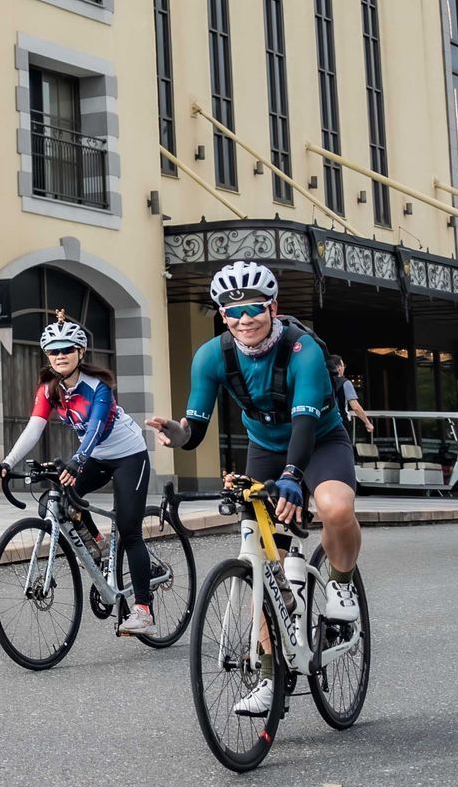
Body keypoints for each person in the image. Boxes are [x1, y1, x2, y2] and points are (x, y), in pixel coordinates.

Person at [148, 258, 360, 716]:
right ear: (222, 314)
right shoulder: (212, 356)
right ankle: (269, 676)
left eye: (254, 308)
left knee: (334, 507)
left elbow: (305, 422)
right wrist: (178, 433)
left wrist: (293, 478)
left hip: (319, 440)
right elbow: (196, 427)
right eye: (233, 310)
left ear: (273, 308)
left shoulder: (303, 351)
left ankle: (341, 585)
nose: (245, 319)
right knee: (261, 563)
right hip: (264, 448)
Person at [0, 315, 159, 639]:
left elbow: (95, 428)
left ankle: (143, 609)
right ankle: (98, 543)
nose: (60, 356)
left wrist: (77, 460)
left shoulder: (98, 388)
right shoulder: (49, 390)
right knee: (55, 501)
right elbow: (34, 429)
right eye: (53, 351)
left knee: (129, 530)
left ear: (80, 352)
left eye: (66, 349)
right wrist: (7, 463)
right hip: (94, 456)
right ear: (47, 355)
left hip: (128, 455)